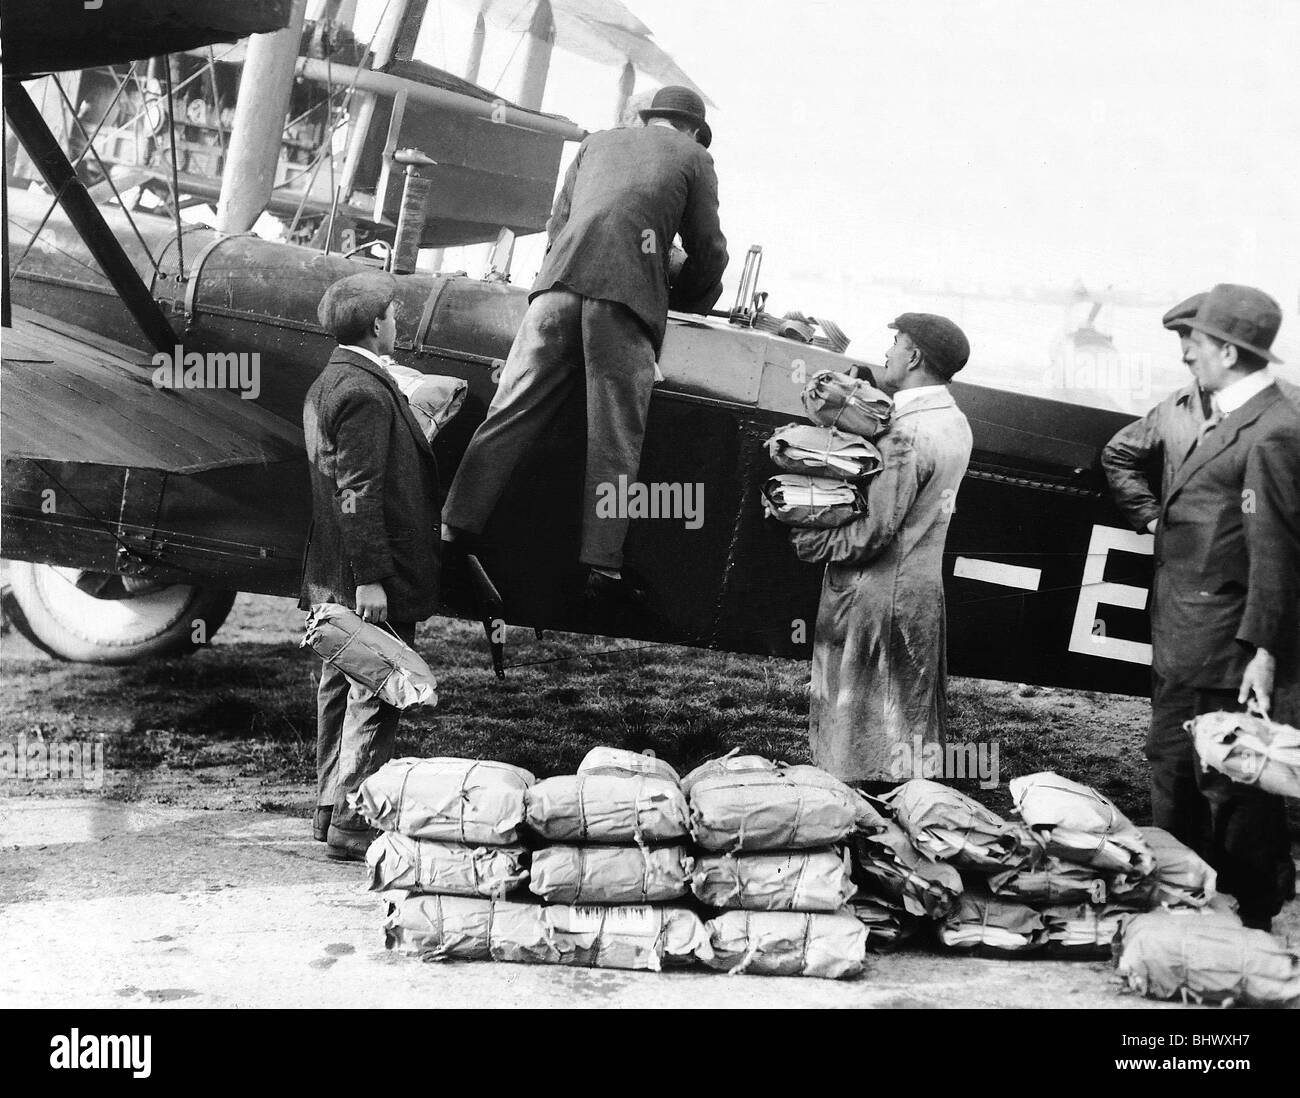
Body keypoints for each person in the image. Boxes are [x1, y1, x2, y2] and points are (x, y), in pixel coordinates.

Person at [441, 85, 729, 604]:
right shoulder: (695, 156)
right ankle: (602, 567)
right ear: (692, 130)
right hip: (624, 301)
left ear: (645, 117)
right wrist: (686, 301)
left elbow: (558, 224)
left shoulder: (596, 143)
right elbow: (707, 249)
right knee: (615, 439)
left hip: (553, 293)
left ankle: (452, 530)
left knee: (507, 413)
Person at [1151, 283, 1299, 929]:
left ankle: (1247, 923)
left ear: (1231, 353)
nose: (1189, 356)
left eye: (1199, 344)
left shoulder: (1271, 431)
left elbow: (1277, 552)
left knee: (1228, 785)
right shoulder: (1238, 415)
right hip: (1191, 632)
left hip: (1221, 644)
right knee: (1179, 773)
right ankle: (1190, 908)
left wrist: (1263, 651)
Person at [790, 314, 974, 791]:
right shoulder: (954, 421)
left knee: (855, 743)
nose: (888, 351)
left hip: (874, 602)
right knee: (904, 731)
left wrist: (811, 541)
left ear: (913, 357)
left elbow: (874, 533)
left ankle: (858, 828)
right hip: (918, 596)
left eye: (896, 343)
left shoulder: (905, 435)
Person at [301, 272, 441, 862]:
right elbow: (357, 492)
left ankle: (329, 810)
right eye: (391, 315)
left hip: (330, 570)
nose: (396, 324)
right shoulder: (366, 391)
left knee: (337, 689)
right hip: (363, 575)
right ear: (376, 323)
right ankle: (355, 823)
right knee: (376, 690)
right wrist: (373, 578)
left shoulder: (328, 383)